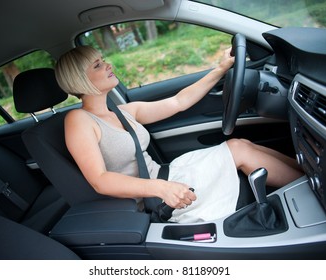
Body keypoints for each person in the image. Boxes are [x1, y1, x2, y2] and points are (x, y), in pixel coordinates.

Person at [55, 45, 303, 223]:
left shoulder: (122, 112)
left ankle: (308, 176)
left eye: (103, 59)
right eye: (98, 64)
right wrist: (162, 189)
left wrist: (221, 68)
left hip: (169, 173)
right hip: (156, 198)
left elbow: (179, 102)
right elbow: (100, 179)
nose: (107, 64)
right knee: (239, 149)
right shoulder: (78, 120)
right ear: (79, 80)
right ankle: (314, 188)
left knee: (240, 143)